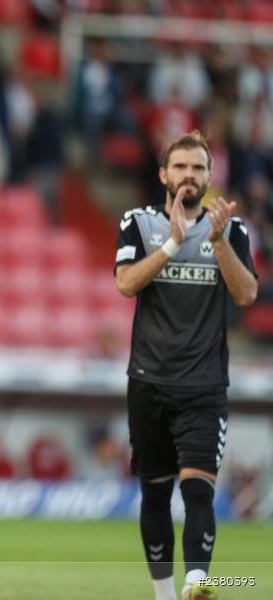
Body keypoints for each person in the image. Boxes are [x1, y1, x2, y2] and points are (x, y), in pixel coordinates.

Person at [114, 131, 258, 600]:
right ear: (164, 175)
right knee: (155, 495)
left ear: (210, 177)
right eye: (180, 168)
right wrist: (173, 245)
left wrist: (216, 242)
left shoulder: (232, 231)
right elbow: (126, 284)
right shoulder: (138, 223)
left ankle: (198, 584)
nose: (189, 176)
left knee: (198, 492)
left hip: (204, 386)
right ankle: (164, 595)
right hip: (149, 382)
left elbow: (247, 294)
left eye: (198, 169)